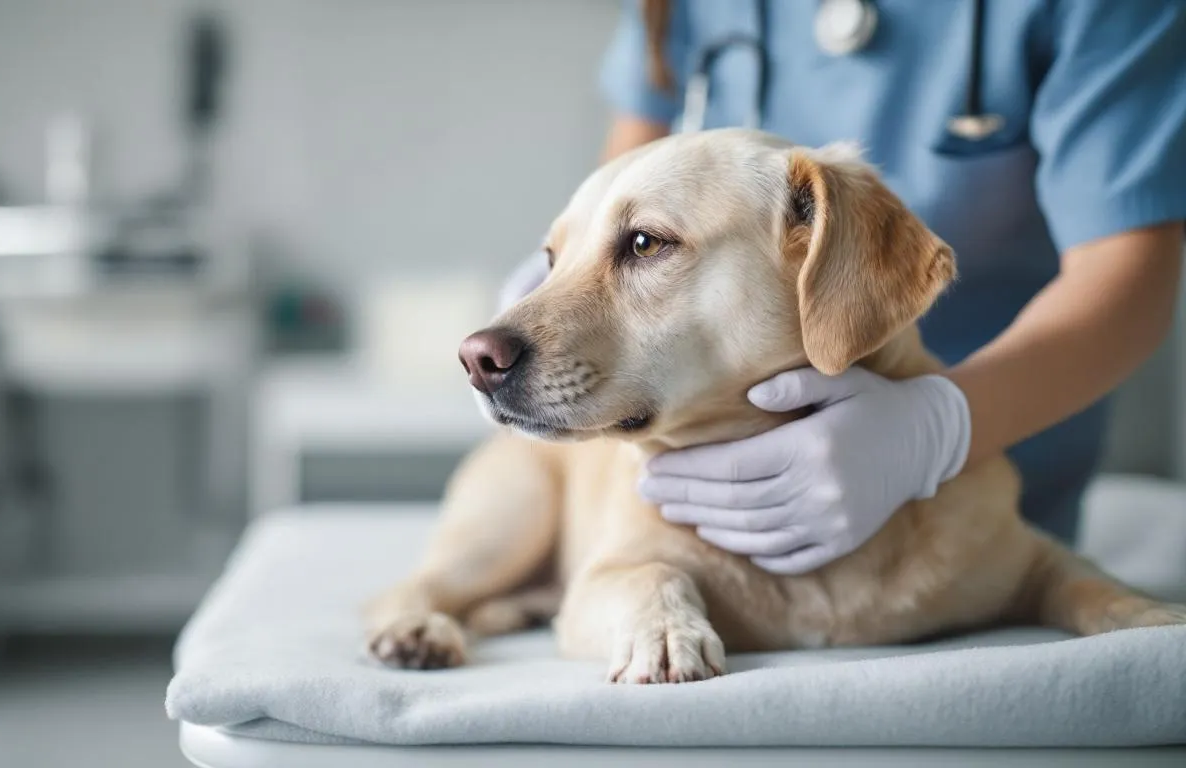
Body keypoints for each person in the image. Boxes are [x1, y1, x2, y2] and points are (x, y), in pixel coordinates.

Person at [499, 0, 1186, 575]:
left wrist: (936, 433)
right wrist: (556, 287)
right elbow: (629, 178)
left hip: (988, 510)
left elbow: (1126, 271)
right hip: (691, 519)